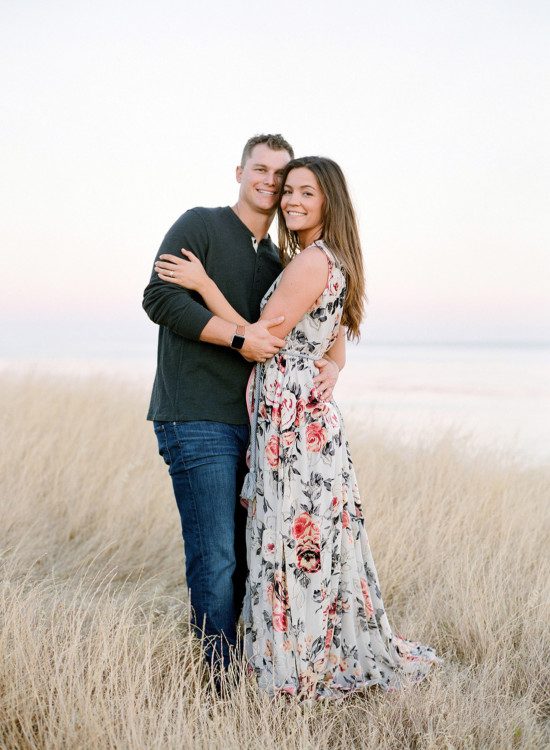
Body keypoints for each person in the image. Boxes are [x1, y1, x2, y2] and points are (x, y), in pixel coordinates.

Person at [155, 155, 441, 699]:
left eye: (306, 192)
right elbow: (334, 345)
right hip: (303, 416)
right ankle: (300, 649)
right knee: (303, 539)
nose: (291, 200)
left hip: (291, 419)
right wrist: (330, 368)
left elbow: (260, 337)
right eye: (289, 191)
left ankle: (286, 664)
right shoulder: (328, 259)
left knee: (286, 540)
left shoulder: (310, 261)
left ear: (329, 200)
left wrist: (202, 282)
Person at [142, 136, 342, 675]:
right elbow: (158, 299)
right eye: (261, 169)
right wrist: (236, 339)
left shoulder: (283, 258)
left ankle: (248, 667)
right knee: (217, 557)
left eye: (281, 175)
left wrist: (336, 362)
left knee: (250, 554)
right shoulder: (200, 225)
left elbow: (320, 319)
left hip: (260, 427)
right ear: (239, 171)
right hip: (196, 416)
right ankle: (215, 681)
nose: (271, 182)